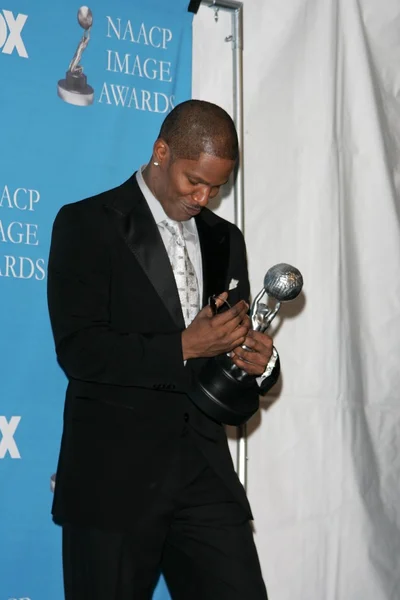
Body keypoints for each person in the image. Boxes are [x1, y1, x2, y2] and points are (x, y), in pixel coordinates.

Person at [47, 99, 280, 600]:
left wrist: (259, 365)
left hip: (204, 475)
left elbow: (227, 352)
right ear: (161, 152)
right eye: (194, 180)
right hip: (114, 478)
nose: (204, 196)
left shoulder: (225, 239)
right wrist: (181, 346)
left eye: (217, 187)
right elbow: (80, 350)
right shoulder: (88, 223)